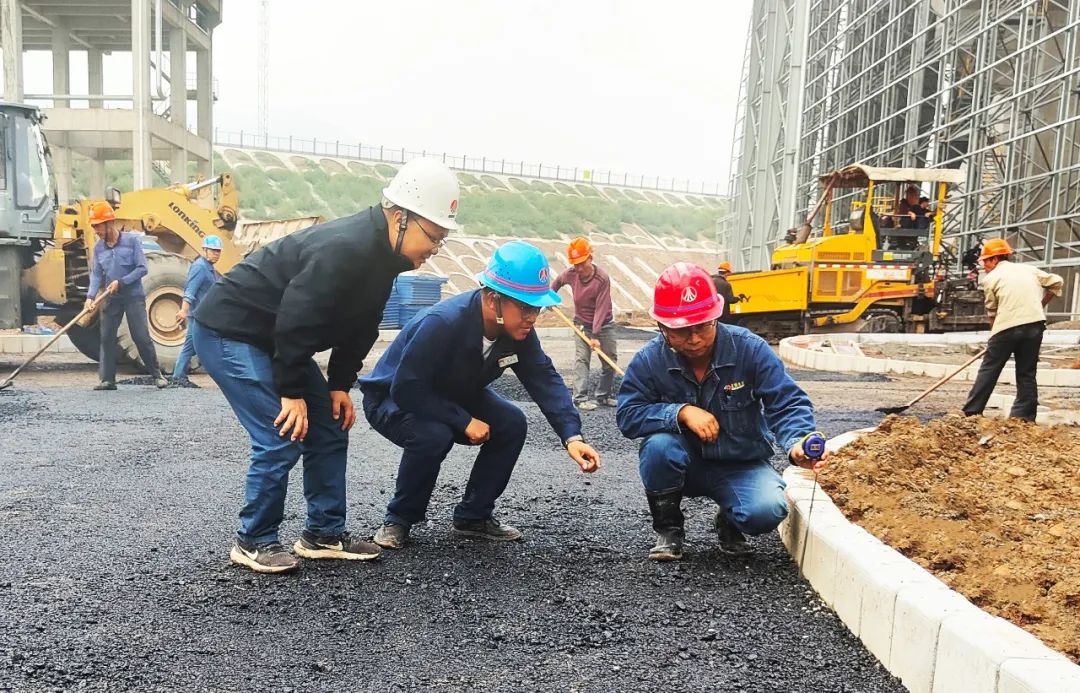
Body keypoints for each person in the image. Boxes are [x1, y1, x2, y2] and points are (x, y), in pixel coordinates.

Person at [190, 158, 461, 574]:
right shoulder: (346, 247)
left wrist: (338, 385)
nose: (434, 249)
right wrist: (292, 391)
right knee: (282, 430)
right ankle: (254, 539)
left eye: (441, 240)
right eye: (434, 236)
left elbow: (362, 325)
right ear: (400, 217)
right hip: (231, 329)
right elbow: (296, 319)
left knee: (330, 425)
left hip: (274, 336)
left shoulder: (384, 260)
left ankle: (323, 533)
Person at [360, 240, 602, 550]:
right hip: (394, 396)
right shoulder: (444, 323)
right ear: (492, 299)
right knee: (434, 433)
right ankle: (398, 519)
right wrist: (462, 421)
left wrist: (573, 436)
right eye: (526, 307)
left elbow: (544, 377)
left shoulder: (519, 331)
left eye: (537, 308)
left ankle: (474, 516)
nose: (533, 317)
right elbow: (408, 387)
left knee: (512, 422)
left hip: (453, 390)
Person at [616, 262, 827, 561]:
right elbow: (628, 414)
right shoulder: (649, 360)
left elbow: (787, 401)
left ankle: (730, 518)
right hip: (684, 464)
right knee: (659, 447)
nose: (694, 339)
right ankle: (669, 528)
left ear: (716, 316)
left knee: (766, 511)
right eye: (681, 330)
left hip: (740, 462)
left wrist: (797, 442)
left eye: (702, 326)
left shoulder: (750, 349)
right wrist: (680, 412)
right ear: (661, 326)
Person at [962, 238, 1063, 421]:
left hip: (1006, 327)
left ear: (995, 259)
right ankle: (1023, 417)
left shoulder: (991, 278)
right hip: (1034, 326)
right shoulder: (1029, 269)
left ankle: (972, 412)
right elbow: (1057, 282)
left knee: (990, 369)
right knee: (1027, 372)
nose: (984, 265)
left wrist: (993, 337)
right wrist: (1040, 305)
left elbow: (992, 312)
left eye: (985, 261)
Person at [84, 201, 168, 391]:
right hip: (111, 298)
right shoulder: (99, 249)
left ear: (109, 223)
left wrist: (121, 282)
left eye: (98, 225)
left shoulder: (132, 241)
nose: (96, 230)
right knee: (106, 337)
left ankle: (157, 375)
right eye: (94, 226)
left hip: (132, 296)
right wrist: (90, 297)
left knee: (140, 336)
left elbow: (142, 268)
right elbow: (97, 274)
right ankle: (107, 380)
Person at [551, 237, 617, 411]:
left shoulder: (602, 278)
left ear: (590, 258)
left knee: (609, 361)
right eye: (575, 264)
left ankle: (603, 395)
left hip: (604, 325)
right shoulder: (571, 274)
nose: (578, 268)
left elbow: (601, 308)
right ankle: (580, 398)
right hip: (581, 324)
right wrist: (549, 298)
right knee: (582, 359)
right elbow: (557, 283)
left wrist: (595, 335)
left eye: (581, 263)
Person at [172, 235, 223, 380]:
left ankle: (178, 376)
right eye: (213, 250)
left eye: (218, 251)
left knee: (191, 346)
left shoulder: (210, 268)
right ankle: (178, 376)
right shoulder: (200, 267)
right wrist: (183, 310)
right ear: (204, 250)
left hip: (204, 316)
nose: (216, 254)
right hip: (198, 316)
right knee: (198, 346)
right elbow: (190, 291)